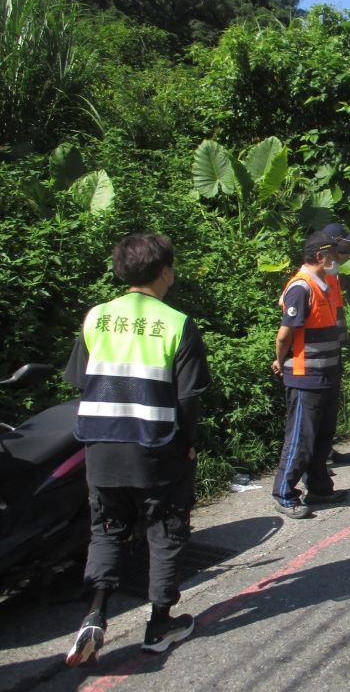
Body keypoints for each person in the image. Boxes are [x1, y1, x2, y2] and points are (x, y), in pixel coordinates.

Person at [63, 233, 211, 666]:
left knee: (106, 529)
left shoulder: (96, 317)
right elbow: (188, 398)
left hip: (101, 445)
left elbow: (80, 380)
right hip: (156, 448)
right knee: (165, 531)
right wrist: (189, 444)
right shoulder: (177, 323)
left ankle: (94, 616)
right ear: (165, 272)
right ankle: (159, 624)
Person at [271, 230, 350, 518]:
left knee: (322, 437)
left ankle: (319, 488)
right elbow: (284, 335)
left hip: (327, 374)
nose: (337, 258)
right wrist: (279, 360)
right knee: (301, 439)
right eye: (333, 254)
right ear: (320, 256)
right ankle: (284, 493)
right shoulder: (302, 287)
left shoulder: (325, 283)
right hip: (306, 376)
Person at [320, 222, 350, 465]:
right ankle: (317, 459)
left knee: (330, 402)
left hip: (332, 346)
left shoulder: (333, 271)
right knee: (320, 404)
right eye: (346, 245)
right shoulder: (320, 273)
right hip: (320, 350)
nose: (349, 251)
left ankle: (326, 450)